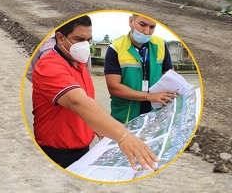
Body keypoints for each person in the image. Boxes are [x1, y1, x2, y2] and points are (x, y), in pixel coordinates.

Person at [32, 15, 158, 170]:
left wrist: (99, 127)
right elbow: (78, 102)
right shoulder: (50, 65)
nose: (85, 45)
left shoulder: (79, 65)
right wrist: (123, 135)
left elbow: (88, 102)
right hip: (56, 153)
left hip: (82, 149)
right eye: (79, 39)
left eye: (88, 39)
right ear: (60, 38)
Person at [104, 14, 178, 123]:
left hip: (155, 111)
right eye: (142, 24)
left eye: (152, 27)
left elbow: (170, 76)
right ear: (131, 21)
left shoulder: (161, 44)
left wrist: (176, 89)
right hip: (126, 113)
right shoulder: (115, 48)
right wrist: (149, 96)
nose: (147, 32)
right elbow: (114, 87)